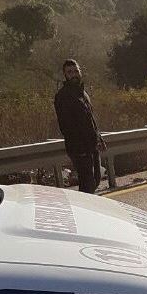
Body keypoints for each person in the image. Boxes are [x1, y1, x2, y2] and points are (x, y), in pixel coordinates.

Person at [54, 59, 105, 194]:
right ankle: (85, 211)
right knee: (88, 182)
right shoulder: (63, 96)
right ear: (65, 75)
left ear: (80, 72)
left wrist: (99, 139)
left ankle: (86, 207)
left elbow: (91, 119)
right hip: (79, 148)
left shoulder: (83, 93)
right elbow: (66, 127)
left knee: (96, 178)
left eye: (76, 71)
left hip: (92, 145)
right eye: (70, 72)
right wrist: (79, 149)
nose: (74, 74)